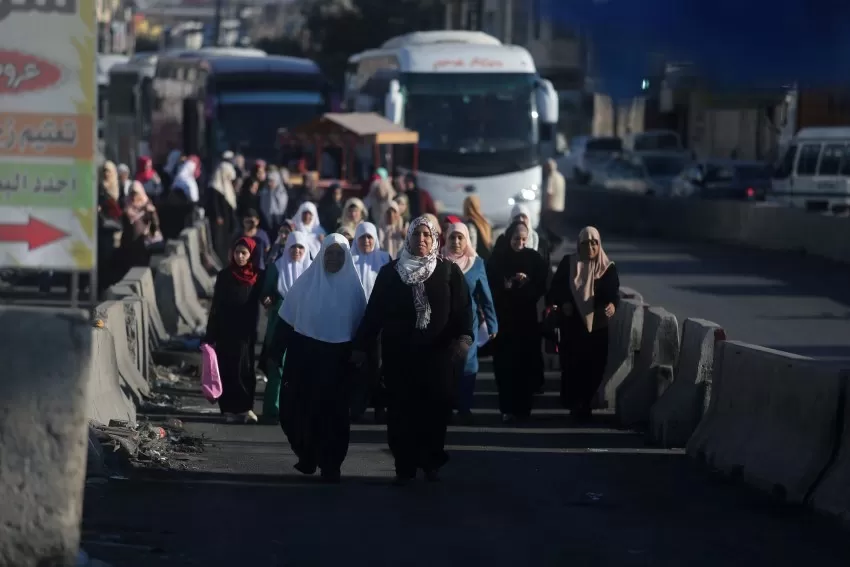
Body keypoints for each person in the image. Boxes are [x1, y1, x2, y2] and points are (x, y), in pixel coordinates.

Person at [352, 216, 473, 484]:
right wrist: (361, 345)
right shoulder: (390, 273)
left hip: (437, 358)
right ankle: (404, 465)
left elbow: (463, 309)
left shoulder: (449, 272)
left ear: (435, 239)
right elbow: (374, 314)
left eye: (427, 235)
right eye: (416, 234)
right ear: (408, 238)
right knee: (400, 413)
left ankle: (431, 461)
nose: (421, 239)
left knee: (434, 412)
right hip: (400, 357)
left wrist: (464, 338)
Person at [272, 234, 368, 482]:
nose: (334, 258)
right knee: (295, 410)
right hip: (304, 356)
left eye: (339, 254)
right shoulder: (306, 284)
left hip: (338, 361)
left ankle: (331, 465)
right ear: (321, 254)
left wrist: (361, 360)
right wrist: (274, 353)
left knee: (334, 415)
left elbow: (363, 329)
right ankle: (307, 455)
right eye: (329, 253)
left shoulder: (354, 291)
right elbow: (285, 322)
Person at [548, 227, 620, 421]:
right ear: (579, 245)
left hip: (597, 326)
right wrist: (564, 302)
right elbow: (555, 289)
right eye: (585, 243)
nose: (590, 247)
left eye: (594, 243)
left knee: (595, 367)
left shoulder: (607, 268)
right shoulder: (569, 263)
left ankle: (586, 402)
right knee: (573, 366)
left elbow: (613, 293)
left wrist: (612, 305)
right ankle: (576, 404)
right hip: (572, 325)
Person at [486, 220, 548, 423]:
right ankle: (507, 408)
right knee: (505, 367)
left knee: (525, 365)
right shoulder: (498, 258)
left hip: (526, 321)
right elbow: (491, 285)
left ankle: (523, 408)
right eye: (516, 239)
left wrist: (527, 283)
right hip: (504, 321)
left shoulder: (534, 258)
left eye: (523, 239)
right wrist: (506, 284)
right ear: (509, 237)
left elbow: (542, 285)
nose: (520, 243)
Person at [442, 222, 498, 420]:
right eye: (452, 237)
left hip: (469, 323)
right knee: (446, 365)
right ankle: (446, 407)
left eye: (460, 238)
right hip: (444, 323)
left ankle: (464, 408)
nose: (456, 242)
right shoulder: (439, 261)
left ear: (467, 240)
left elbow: (486, 296)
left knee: (469, 365)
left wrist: (492, 324)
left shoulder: (477, 263)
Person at [204, 237, 263, 424]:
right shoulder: (224, 276)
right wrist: (210, 332)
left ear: (250, 255)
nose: (240, 256)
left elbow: (266, 295)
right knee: (227, 369)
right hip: (226, 329)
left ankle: (246, 408)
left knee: (245, 369)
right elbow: (216, 305)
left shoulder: (257, 277)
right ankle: (229, 409)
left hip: (246, 331)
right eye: (237, 252)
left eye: (244, 253)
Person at [259, 231, 312, 423]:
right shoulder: (276, 267)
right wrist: (268, 299)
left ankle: (297, 410)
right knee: (278, 367)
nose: (297, 251)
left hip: (304, 327)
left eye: (301, 247)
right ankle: (273, 409)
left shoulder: (312, 270)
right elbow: (266, 292)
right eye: (293, 247)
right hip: (278, 324)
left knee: (301, 370)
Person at [350, 222, 392, 422]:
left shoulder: (384, 259)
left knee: (379, 367)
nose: (366, 241)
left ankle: (380, 408)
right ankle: (356, 407)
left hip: (379, 323)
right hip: (354, 321)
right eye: (362, 237)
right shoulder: (349, 260)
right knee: (356, 366)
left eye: (369, 237)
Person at [119, 181, 161, 273]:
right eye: (132, 193)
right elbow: (123, 223)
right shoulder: (127, 205)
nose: (134, 196)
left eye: (136, 194)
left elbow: (155, 225)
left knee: (141, 269)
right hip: (129, 245)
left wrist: (152, 213)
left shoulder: (147, 204)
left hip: (143, 244)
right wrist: (127, 214)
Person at [208, 159, 239, 262]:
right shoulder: (214, 187)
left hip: (227, 219)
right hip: (220, 221)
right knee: (220, 242)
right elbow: (214, 204)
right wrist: (218, 216)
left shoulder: (227, 186)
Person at [237, 160, 268, 227]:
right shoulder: (246, 196)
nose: (260, 175)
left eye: (262, 172)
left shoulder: (265, 188)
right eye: (258, 172)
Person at [259, 166, 289, 235]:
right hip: (265, 222)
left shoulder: (282, 193)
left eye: (272, 181)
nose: (269, 183)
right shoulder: (264, 192)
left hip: (279, 221)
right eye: (268, 181)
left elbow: (283, 208)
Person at [462, 195, 493, 260]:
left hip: (475, 260)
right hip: (487, 259)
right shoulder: (484, 222)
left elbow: (471, 247)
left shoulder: (469, 224)